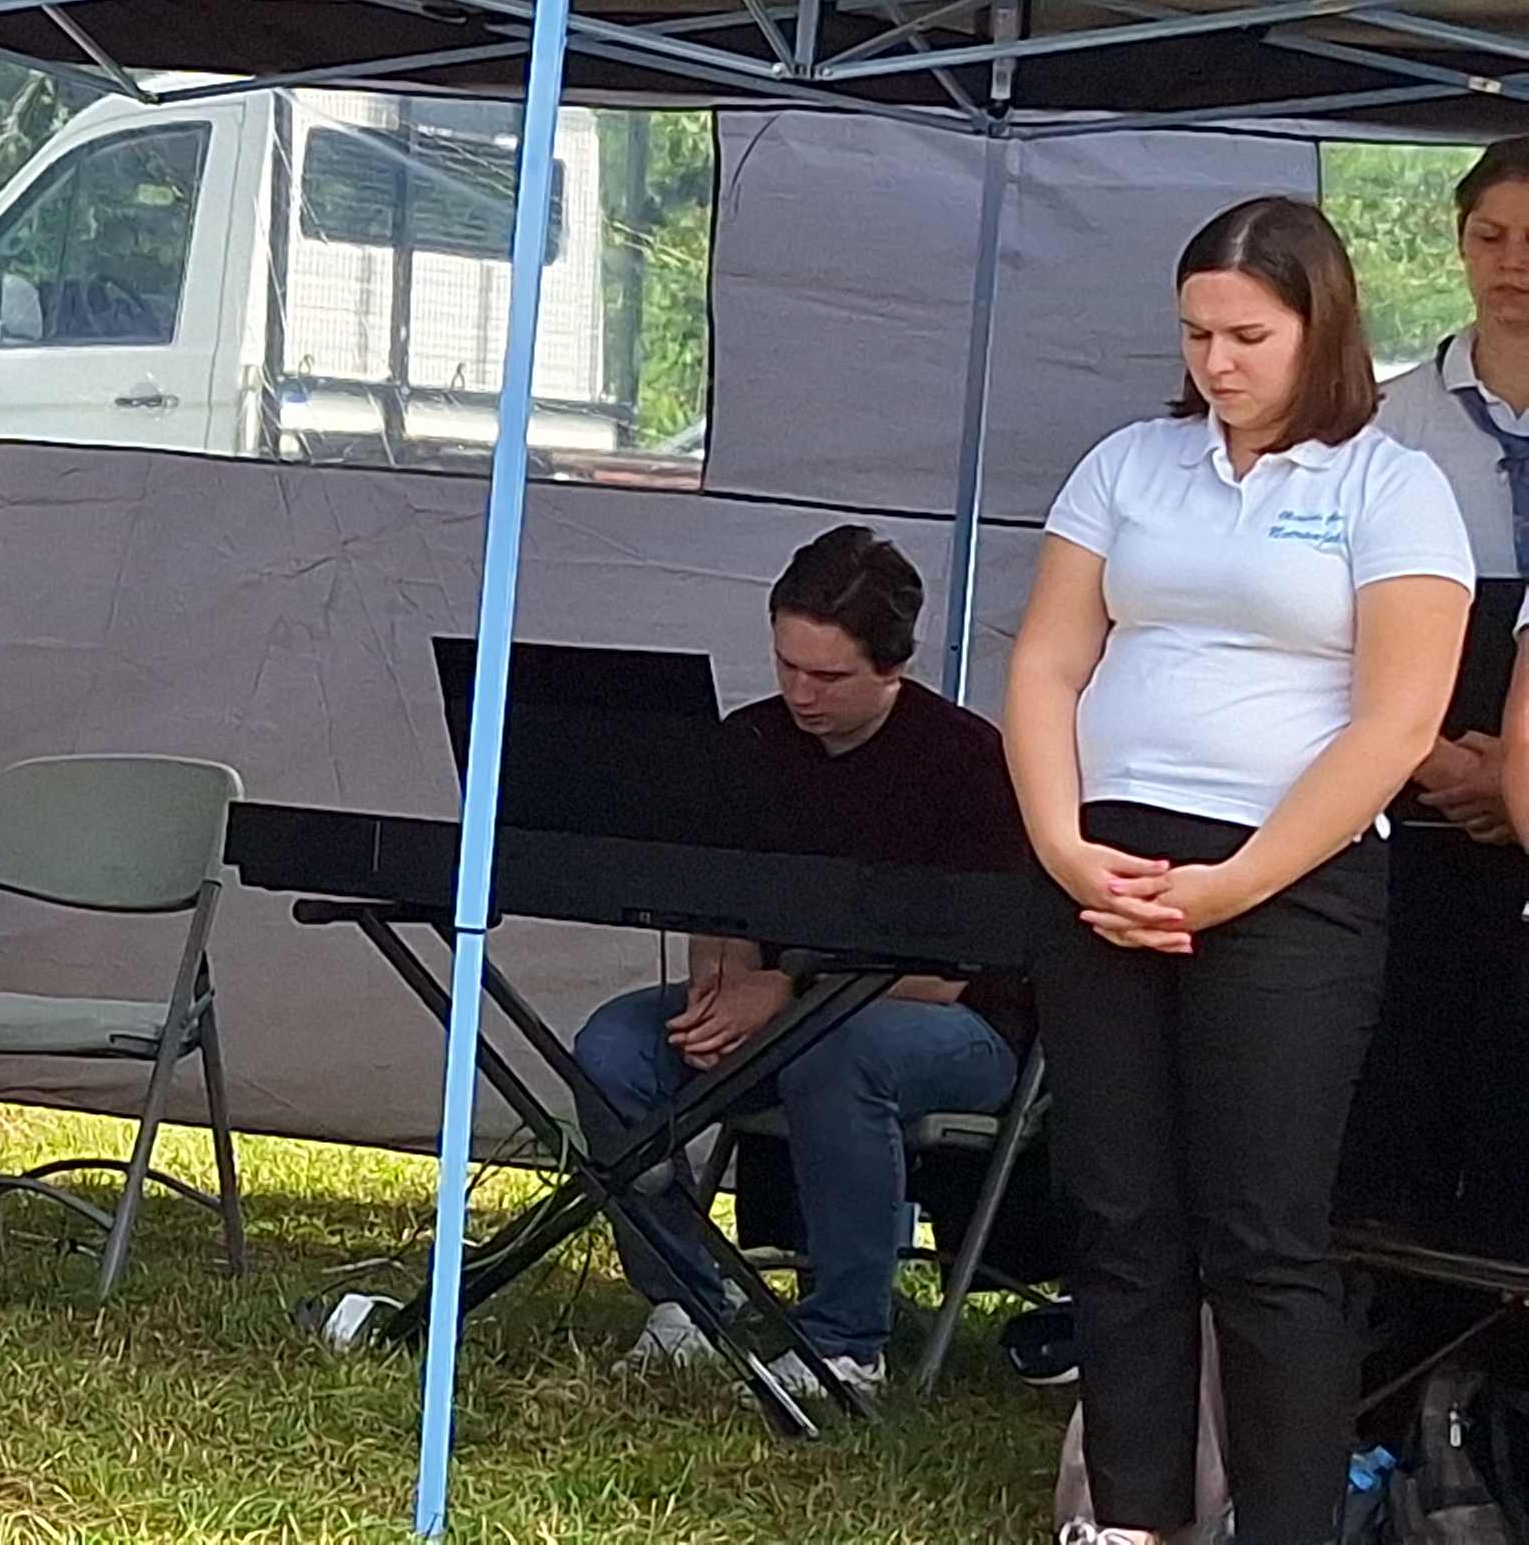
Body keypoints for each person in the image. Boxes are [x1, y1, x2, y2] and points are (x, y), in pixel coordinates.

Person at [1008, 195, 1472, 1545]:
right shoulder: (1129, 462)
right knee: (1120, 1215)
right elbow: (1046, 660)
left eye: (1248, 336)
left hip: (1290, 882)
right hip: (1104, 861)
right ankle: (1132, 1517)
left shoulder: (1391, 486)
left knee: (1264, 1234)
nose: (1217, 361)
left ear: (1319, 327)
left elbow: (1395, 724)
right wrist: (1063, 844)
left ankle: (1282, 1524)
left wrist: (1240, 881)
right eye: (1197, 333)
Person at [569, 527, 1034, 1399]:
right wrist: (717, 989)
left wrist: (784, 992)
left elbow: (949, 974)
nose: (801, 694)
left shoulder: (969, 763)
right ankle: (684, 1305)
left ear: (893, 668)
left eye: (829, 676)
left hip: (961, 1028)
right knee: (614, 1047)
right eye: (787, 666)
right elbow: (716, 904)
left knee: (839, 1053)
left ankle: (844, 1343)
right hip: (789, 1013)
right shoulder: (750, 742)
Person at [1348, 137, 1529, 1242]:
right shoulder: (1389, 423)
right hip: (1420, 786)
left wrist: (1522, 776)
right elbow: (1340, 620)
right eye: (1491, 236)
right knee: (1413, 1064)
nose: (1515, 263)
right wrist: (1432, 754)